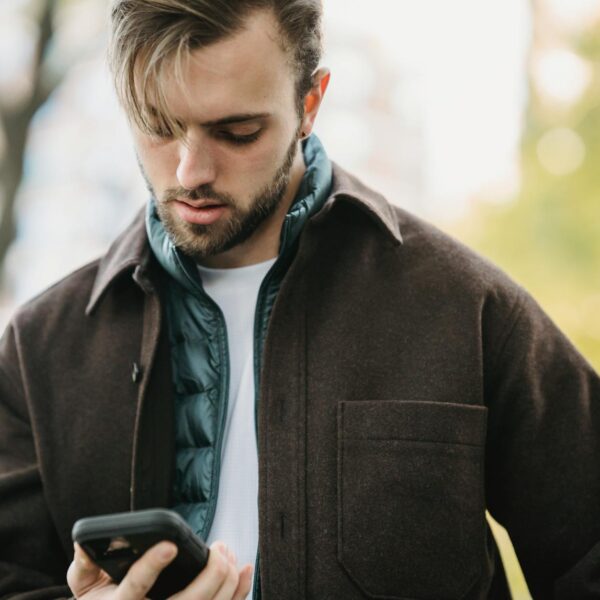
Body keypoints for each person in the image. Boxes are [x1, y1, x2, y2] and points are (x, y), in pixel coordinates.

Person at [0, 0, 599, 598]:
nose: (189, 171)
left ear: (310, 104)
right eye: (157, 126)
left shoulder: (465, 307)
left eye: (237, 133)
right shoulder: (37, 349)